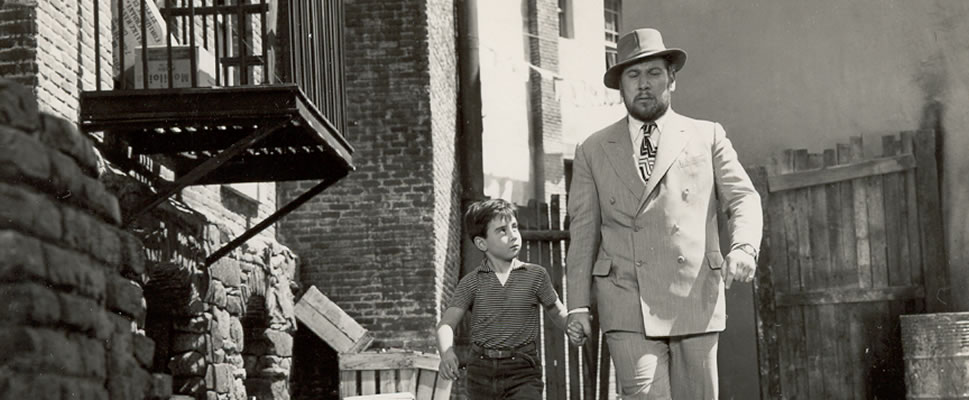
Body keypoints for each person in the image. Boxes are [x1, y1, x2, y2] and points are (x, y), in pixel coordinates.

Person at [565, 28, 763, 399]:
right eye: (633, 75)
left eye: (654, 73)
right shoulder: (592, 149)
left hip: (694, 297)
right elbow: (583, 231)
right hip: (626, 300)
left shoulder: (707, 136)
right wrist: (576, 304)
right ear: (620, 85)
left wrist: (745, 247)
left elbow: (743, 199)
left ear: (672, 79)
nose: (644, 85)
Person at [437, 198, 568, 399]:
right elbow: (446, 324)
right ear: (482, 243)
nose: (513, 235)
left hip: (523, 370)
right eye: (502, 231)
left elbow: (557, 311)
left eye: (514, 227)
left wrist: (572, 325)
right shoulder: (471, 283)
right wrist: (447, 352)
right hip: (480, 373)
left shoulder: (536, 276)